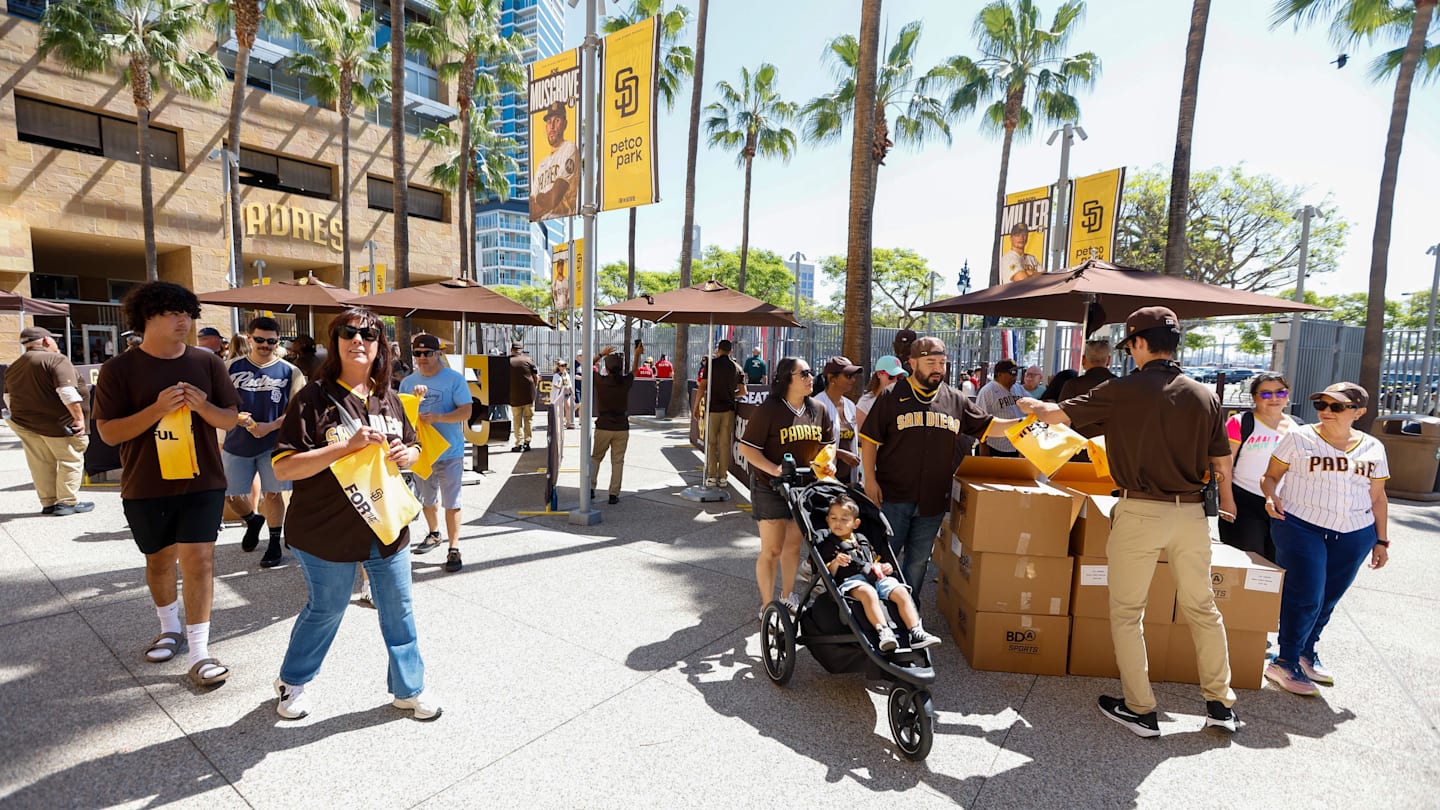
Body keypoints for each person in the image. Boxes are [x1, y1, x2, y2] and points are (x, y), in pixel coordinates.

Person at [1017, 306, 1239, 737]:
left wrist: (1030, 404)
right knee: (1203, 609)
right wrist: (1226, 501)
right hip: (1192, 514)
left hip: (1139, 511)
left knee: (1127, 612)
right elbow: (1221, 458)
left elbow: (1054, 415)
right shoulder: (1205, 394)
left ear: (1138, 343)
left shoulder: (1123, 389)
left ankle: (1141, 708)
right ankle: (1220, 704)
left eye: (1131, 344)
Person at [271, 307, 438, 721]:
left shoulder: (390, 398)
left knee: (398, 610)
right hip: (325, 531)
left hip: (386, 528)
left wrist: (408, 453)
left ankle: (408, 689)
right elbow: (284, 467)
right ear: (336, 342)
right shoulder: (312, 398)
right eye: (348, 332)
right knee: (326, 609)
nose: (358, 339)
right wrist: (344, 447)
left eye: (368, 333)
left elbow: (416, 448)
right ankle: (293, 682)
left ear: (380, 345)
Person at [94, 282, 242, 688]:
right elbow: (108, 433)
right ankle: (169, 628)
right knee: (159, 561)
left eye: (188, 313)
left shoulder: (207, 363)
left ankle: (199, 651)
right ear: (147, 317)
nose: (184, 321)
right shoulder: (117, 370)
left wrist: (203, 407)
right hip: (146, 483)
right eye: (174, 313)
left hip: (203, 480)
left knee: (200, 561)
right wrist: (157, 409)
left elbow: (229, 419)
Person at [1259, 382, 1390, 697]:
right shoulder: (1298, 438)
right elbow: (1270, 475)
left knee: (1329, 596)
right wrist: (1269, 495)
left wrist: (1381, 541)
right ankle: (1284, 659)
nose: (1326, 411)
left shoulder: (1373, 447)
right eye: (1322, 405)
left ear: (1358, 412)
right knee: (1306, 593)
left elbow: (1378, 496)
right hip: (1301, 524)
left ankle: (1306, 651)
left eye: (1337, 406)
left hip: (1356, 531)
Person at [861, 337, 1015, 599]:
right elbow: (869, 440)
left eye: (942, 362)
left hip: (933, 498)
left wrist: (1026, 422)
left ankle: (908, 616)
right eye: (930, 362)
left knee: (918, 562)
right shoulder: (891, 395)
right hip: (893, 495)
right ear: (912, 363)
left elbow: (989, 426)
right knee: (883, 557)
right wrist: (870, 480)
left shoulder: (955, 399)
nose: (937, 368)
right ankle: (876, 617)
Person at [739, 357, 834, 618]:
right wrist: (774, 470)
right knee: (772, 549)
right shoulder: (769, 409)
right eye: (803, 373)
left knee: (793, 547)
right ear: (786, 379)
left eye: (810, 373)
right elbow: (746, 448)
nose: (810, 377)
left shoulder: (818, 408)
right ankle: (769, 605)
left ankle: (787, 596)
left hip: (804, 487)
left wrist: (827, 462)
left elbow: (828, 444)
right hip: (770, 487)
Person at [224, 316, 305, 568]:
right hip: (236, 442)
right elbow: (218, 403)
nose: (264, 345)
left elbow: (296, 410)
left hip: (273, 444)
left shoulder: (290, 371)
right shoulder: (231, 367)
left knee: (273, 493)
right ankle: (251, 519)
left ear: (277, 342)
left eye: (270, 341)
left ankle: (273, 542)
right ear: (249, 338)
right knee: (229, 494)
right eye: (259, 339)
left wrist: (268, 427)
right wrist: (237, 419)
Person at [819, 496, 942, 651]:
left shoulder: (863, 539)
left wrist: (885, 567)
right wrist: (836, 561)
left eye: (844, 519)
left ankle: (915, 630)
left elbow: (875, 560)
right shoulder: (829, 543)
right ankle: (883, 631)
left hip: (875, 577)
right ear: (827, 520)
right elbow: (826, 573)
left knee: (901, 591)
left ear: (855, 523)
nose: (838, 523)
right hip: (851, 580)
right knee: (868, 592)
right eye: (834, 518)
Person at [400, 334, 473, 573]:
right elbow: (403, 415)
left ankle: (454, 548)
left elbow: (466, 412)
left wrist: (439, 417)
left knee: (452, 501)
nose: (422, 358)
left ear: (438, 353)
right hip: (421, 452)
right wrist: (417, 402)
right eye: (417, 353)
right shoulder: (408, 383)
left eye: (427, 353)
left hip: (450, 450)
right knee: (427, 500)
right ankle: (433, 533)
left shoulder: (454, 379)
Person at [4, 326, 92, 516]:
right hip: (57, 424)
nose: (56, 344)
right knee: (70, 459)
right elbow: (67, 392)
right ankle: (67, 502)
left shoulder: (15, 365)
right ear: (45, 341)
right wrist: (79, 419)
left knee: (41, 463)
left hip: (25, 424)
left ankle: (49, 502)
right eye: (54, 340)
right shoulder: (56, 359)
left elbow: (8, 397)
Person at [1218, 372, 1299, 563]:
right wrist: (1227, 501)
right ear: (1254, 397)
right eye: (1265, 394)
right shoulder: (1240, 422)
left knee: (1277, 567)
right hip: (1245, 503)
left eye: (1280, 393)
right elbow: (1224, 465)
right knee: (1246, 565)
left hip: (1285, 508)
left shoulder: (1299, 427)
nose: (1273, 398)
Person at [591, 342, 646, 504]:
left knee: (595, 458)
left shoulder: (600, 381)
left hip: (603, 425)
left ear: (606, 368)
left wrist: (601, 354)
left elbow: (586, 366)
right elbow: (634, 371)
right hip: (621, 425)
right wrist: (637, 355)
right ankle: (613, 493)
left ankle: (590, 488)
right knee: (618, 461)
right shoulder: (625, 382)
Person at [695, 339, 745, 489]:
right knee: (724, 445)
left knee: (711, 443)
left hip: (713, 408)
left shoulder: (711, 364)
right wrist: (731, 395)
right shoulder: (737, 368)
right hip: (729, 410)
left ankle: (711, 475)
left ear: (718, 349)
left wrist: (697, 405)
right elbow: (743, 391)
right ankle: (723, 477)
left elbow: (702, 386)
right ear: (731, 351)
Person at [818, 356, 862, 484]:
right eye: (848, 376)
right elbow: (811, 444)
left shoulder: (850, 405)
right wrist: (840, 454)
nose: (853, 380)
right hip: (824, 478)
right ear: (832, 378)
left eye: (854, 376)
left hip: (849, 479)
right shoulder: (817, 404)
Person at [531, 102, 579, 219]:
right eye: (548, 121)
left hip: (566, 219)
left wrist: (540, 198)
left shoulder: (569, 149)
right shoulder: (542, 164)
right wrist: (544, 200)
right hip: (543, 221)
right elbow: (531, 211)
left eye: (557, 120)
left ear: (564, 124)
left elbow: (553, 199)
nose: (552, 126)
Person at [976, 358, 1027, 457]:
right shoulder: (988, 391)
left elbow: (1034, 405)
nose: (1015, 375)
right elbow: (980, 421)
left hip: (1015, 446)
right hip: (993, 446)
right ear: (999, 374)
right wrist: (983, 445)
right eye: (1012, 372)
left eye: (1017, 372)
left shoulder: (1018, 388)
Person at [854, 355, 906, 433]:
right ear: (879, 374)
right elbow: (860, 435)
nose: (895, 381)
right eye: (891, 376)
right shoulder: (866, 402)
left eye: (899, 377)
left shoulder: (905, 401)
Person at [509, 341, 537, 452]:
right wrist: (534, 388)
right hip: (529, 396)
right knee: (528, 419)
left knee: (517, 420)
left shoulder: (508, 361)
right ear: (521, 350)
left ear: (512, 350)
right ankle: (527, 442)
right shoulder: (528, 360)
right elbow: (536, 377)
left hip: (514, 396)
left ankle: (519, 443)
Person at [553, 360, 575, 429]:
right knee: (559, 409)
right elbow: (555, 385)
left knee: (568, 408)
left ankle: (567, 423)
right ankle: (559, 423)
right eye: (562, 366)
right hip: (559, 394)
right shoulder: (556, 375)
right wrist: (561, 388)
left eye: (565, 365)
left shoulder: (566, 374)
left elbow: (570, 384)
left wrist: (573, 393)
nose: (564, 367)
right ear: (558, 367)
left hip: (566, 394)